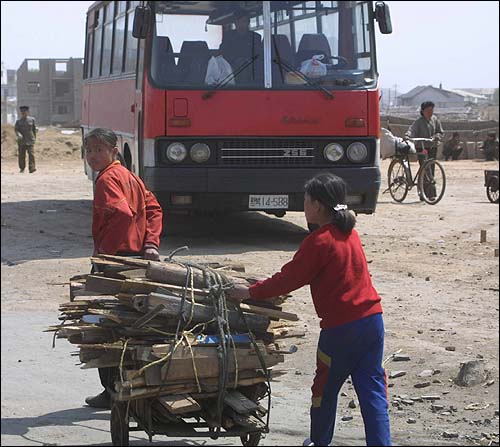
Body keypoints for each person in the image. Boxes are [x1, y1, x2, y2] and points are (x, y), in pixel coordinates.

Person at [228, 173, 391, 447]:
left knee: (324, 390)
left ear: (317, 205)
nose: (303, 205)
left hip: (341, 329)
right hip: (372, 322)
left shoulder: (320, 241)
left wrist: (249, 292)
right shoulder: (350, 233)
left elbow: (289, 279)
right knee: (372, 388)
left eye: (305, 200)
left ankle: (319, 442)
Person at [83, 128, 163, 408]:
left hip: (116, 263)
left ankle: (111, 390)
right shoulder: (131, 177)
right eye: (89, 150)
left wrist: (105, 253)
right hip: (138, 260)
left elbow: (122, 214)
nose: (93, 156)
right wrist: (151, 244)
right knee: (132, 325)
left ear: (114, 152)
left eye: (98, 150)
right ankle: (132, 384)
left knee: (106, 327)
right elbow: (154, 209)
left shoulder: (107, 179)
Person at [404, 101, 444, 200]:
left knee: (431, 169)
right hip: (422, 147)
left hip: (433, 147)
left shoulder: (435, 120)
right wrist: (407, 136)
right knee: (424, 168)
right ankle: (426, 194)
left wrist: (437, 136)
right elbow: (411, 130)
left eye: (431, 110)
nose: (430, 112)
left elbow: (440, 131)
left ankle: (428, 193)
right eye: (428, 110)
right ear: (423, 111)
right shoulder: (418, 122)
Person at [218, 8, 262, 82]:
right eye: (238, 22)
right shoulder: (228, 36)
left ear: (248, 23)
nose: (241, 24)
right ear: (235, 23)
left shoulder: (256, 37)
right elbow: (222, 54)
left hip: (252, 68)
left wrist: (249, 60)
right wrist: (234, 60)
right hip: (232, 69)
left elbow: (259, 54)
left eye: (243, 21)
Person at [14, 106, 37, 173]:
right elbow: (16, 130)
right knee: (21, 155)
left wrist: (34, 138)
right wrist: (19, 135)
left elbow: (34, 130)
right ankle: (22, 168)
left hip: (30, 140)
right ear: (21, 113)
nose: (24, 113)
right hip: (22, 141)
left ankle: (32, 168)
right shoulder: (18, 121)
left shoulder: (32, 120)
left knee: (31, 154)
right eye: (22, 112)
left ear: (28, 112)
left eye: (25, 112)